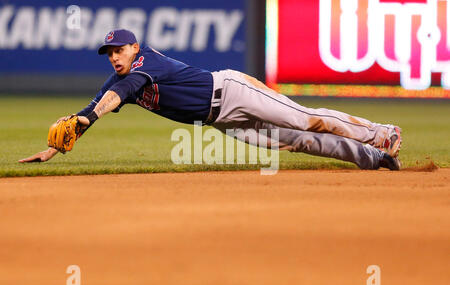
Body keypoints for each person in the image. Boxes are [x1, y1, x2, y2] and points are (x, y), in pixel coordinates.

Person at [19, 29, 402, 170]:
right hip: (222, 120)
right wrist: (56, 149)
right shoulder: (117, 79)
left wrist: (88, 118)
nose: (115, 57)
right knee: (299, 141)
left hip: (233, 90)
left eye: (119, 50)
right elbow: (92, 110)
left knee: (303, 118)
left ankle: (381, 134)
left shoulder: (145, 61)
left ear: (134, 47)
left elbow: (118, 96)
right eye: (110, 54)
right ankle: (375, 159)